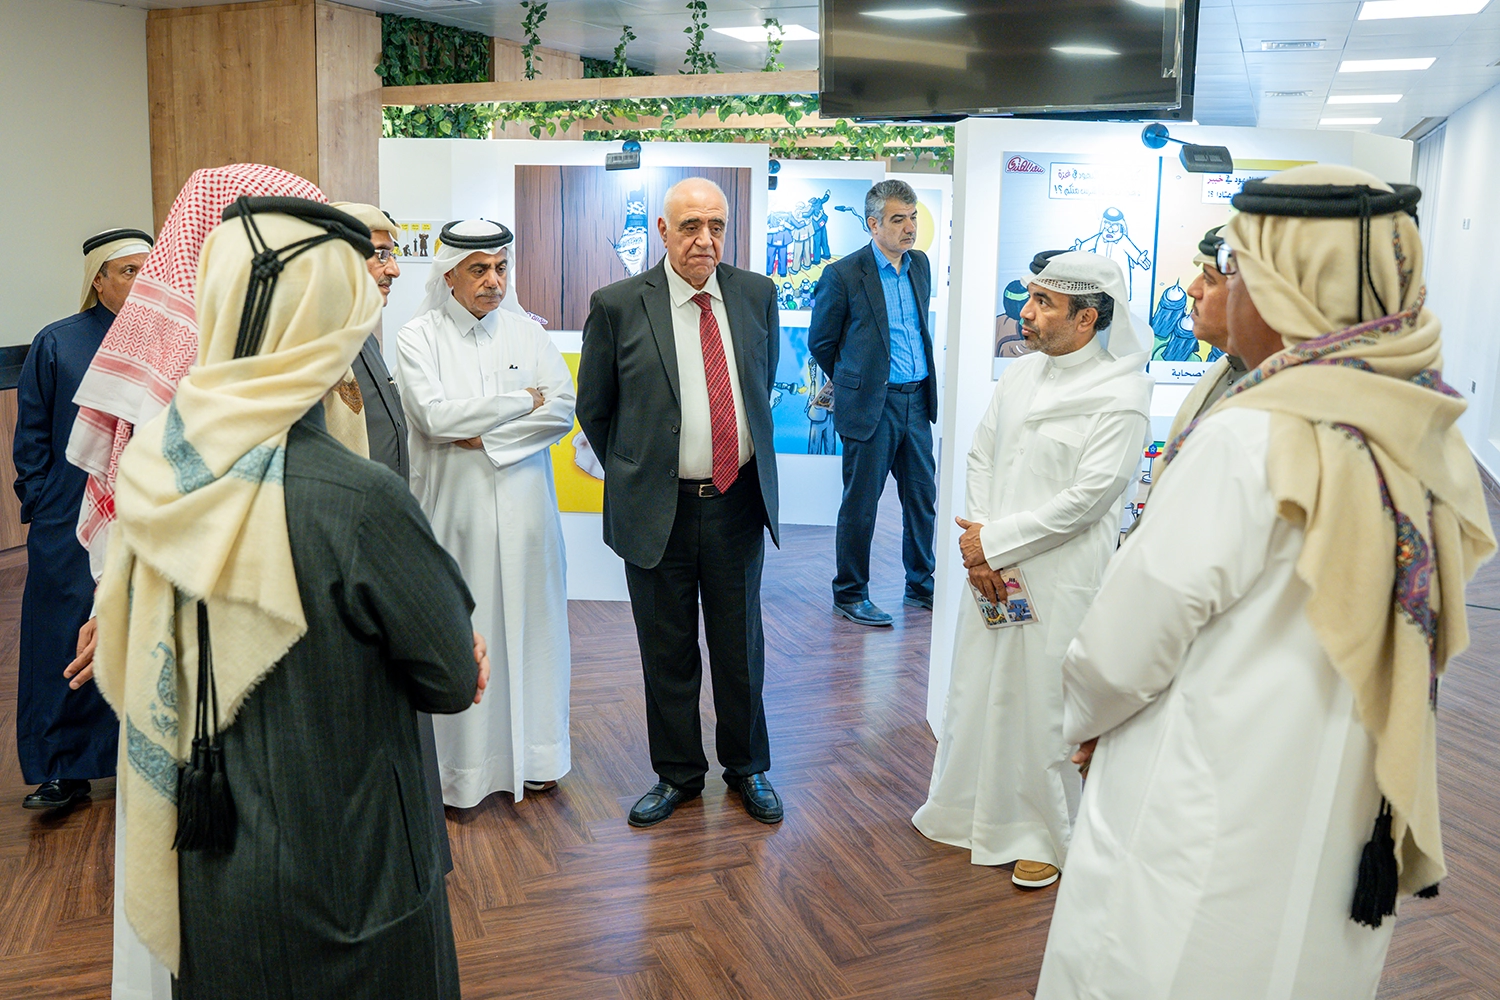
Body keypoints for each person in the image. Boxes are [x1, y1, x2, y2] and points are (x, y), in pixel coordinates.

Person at [1037, 166, 1496, 998]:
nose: (1222, 289)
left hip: (1207, 799)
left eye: (1237, 269)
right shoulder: (1427, 427)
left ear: (1289, 288)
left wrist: (1087, 719)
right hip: (1344, 804)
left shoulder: (1253, 436)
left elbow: (1123, 650)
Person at [93, 197, 487, 997]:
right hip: (356, 886)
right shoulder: (360, 500)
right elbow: (450, 679)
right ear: (329, 317)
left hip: (213, 881)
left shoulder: (155, 471)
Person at [912, 251, 1151, 890]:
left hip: (1059, 575)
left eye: (1045, 302)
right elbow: (981, 455)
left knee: (1046, 705)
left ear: (1086, 318)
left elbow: (1090, 499)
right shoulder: (1020, 374)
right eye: (1031, 297)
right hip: (991, 569)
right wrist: (981, 541)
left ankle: (1044, 834)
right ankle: (967, 812)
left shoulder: (1123, 394)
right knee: (980, 687)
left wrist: (993, 544)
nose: (1027, 311)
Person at [576, 177, 783, 828]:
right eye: (691, 226)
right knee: (666, 650)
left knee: (740, 647)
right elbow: (595, 409)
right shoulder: (617, 305)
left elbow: (761, 382)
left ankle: (747, 768)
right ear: (663, 232)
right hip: (656, 509)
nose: (705, 240)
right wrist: (641, 473)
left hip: (736, 501)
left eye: (716, 226)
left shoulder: (756, 295)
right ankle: (678, 775)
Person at [396, 218, 574, 808]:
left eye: (500, 268)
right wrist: (522, 400)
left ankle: (539, 758)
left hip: (528, 519)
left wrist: (487, 437)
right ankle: (463, 775)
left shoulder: (528, 334)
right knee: (464, 635)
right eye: (478, 269)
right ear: (449, 275)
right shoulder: (418, 337)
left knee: (535, 633)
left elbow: (563, 409)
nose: (493, 280)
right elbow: (434, 418)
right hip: (457, 517)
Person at [333, 202, 454, 874]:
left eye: (392, 253)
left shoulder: (365, 338)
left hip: (382, 567)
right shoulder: (314, 349)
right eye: (377, 253)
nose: (392, 268)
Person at [13, 228, 150, 810]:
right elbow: (32, 436)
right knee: (62, 634)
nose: (142, 281)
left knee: (143, 628)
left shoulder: (165, 342)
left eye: (149, 269)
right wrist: (43, 501)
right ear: (98, 281)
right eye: (128, 271)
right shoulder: (58, 343)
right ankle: (61, 769)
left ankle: (139, 759)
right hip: (69, 517)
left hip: (148, 510)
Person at [808, 178, 937, 626]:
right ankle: (850, 593)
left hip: (916, 402)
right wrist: (856, 383)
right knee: (861, 505)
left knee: (922, 500)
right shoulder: (844, 274)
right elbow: (822, 342)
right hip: (871, 408)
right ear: (873, 224)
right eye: (898, 219)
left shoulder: (920, 265)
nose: (910, 228)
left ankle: (921, 584)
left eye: (913, 218)